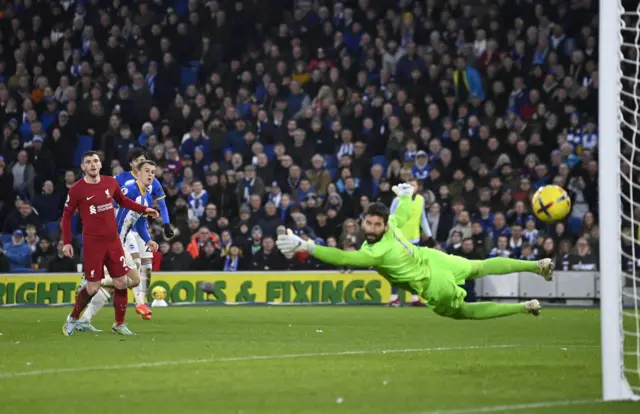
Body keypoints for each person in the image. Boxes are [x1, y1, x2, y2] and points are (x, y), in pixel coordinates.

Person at [276, 183, 552, 320]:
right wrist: (406, 194)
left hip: (431, 281)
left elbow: (343, 257)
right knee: (479, 266)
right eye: (368, 223)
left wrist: (306, 245)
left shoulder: (376, 252)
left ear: (383, 225)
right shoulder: (392, 224)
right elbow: (404, 212)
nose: (371, 227)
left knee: (463, 312)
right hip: (434, 258)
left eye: (376, 224)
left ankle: (525, 304)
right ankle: (536, 266)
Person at [60, 151, 159, 336]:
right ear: (83, 167)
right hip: (93, 243)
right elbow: (66, 217)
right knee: (93, 287)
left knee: (121, 282)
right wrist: (66, 242)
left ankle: (119, 324)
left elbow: (123, 201)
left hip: (113, 241)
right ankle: (73, 318)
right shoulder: (76, 190)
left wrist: (145, 209)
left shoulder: (110, 183)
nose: (93, 164)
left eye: (95, 161)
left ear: (100, 164)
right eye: (88, 162)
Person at [115, 148, 172, 319]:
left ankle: (142, 300)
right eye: (138, 161)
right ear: (132, 163)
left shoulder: (152, 181)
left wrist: (167, 223)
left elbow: (161, 204)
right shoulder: (122, 180)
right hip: (124, 231)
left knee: (147, 267)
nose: (142, 164)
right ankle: (138, 302)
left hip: (140, 227)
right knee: (136, 265)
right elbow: (108, 196)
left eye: (144, 161)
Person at [388, 178, 434, 307]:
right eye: (409, 185)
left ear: (418, 187)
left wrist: (429, 236)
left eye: (413, 185)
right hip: (399, 240)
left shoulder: (421, 200)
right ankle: (393, 298)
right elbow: (390, 219)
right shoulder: (397, 200)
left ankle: (415, 298)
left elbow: (423, 218)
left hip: (415, 240)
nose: (411, 187)